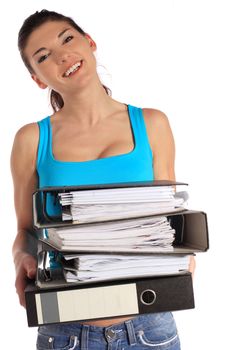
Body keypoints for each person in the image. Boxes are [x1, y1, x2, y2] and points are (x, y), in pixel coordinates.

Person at [11, 9, 195, 350]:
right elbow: (26, 232)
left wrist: (182, 259)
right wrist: (23, 258)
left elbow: (169, 221)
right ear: (38, 78)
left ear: (90, 43)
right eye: (44, 56)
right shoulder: (31, 140)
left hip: (150, 329)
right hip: (65, 333)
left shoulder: (152, 124)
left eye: (67, 38)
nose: (62, 55)